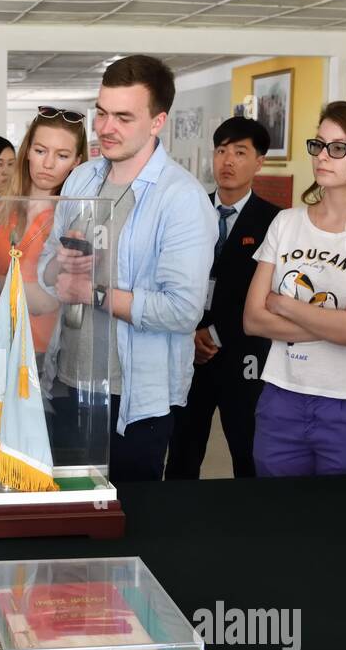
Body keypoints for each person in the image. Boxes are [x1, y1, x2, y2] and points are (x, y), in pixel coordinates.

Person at [38, 55, 216, 483]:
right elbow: (46, 263)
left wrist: (93, 294)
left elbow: (182, 310)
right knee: (65, 512)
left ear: (157, 122)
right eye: (101, 113)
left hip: (132, 400)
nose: (105, 128)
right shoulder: (82, 179)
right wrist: (58, 271)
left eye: (122, 117)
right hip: (66, 379)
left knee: (127, 520)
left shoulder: (181, 198)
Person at [242, 101, 346, 476]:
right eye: (318, 144)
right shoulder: (286, 223)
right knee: (281, 520)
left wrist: (283, 305)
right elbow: (253, 320)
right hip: (281, 396)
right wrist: (337, 321)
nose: (323, 156)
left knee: (345, 524)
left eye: (338, 148)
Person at [166, 116, 280, 480]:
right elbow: (172, 276)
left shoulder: (274, 222)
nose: (227, 161)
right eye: (221, 151)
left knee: (247, 451)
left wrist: (214, 335)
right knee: (183, 449)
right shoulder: (188, 210)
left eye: (240, 152)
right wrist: (192, 333)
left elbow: (266, 294)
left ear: (259, 161)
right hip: (188, 352)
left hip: (243, 356)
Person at [0, 107, 88, 359]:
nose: (48, 164)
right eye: (40, 151)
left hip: (45, 352)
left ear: (77, 161)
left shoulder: (75, 219)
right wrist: (21, 288)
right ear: (27, 150)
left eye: (62, 155)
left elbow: (44, 303)